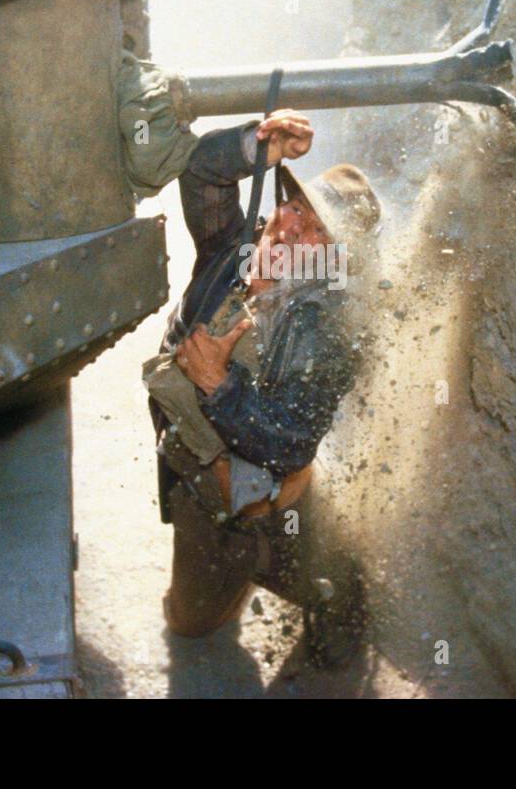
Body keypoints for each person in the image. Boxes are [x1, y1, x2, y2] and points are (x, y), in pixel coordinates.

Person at [147, 110, 381, 668]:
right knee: (191, 620)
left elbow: (291, 441)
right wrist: (258, 147)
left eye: (318, 229)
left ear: (333, 259)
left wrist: (216, 383)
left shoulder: (327, 328)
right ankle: (240, 585)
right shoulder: (233, 248)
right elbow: (203, 174)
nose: (293, 227)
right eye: (296, 206)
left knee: (326, 590)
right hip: (200, 485)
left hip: (268, 505)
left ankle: (342, 601)